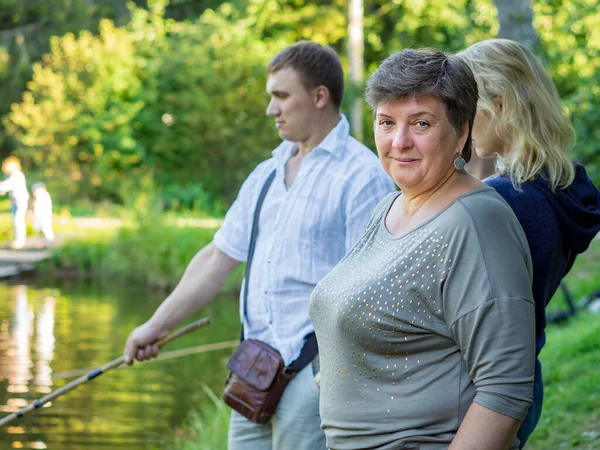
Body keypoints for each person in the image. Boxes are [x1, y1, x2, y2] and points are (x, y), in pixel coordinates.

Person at [123, 41, 394, 450]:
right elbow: (217, 258)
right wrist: (156, 326)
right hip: (254, 368)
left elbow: (369, 288)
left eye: (281, 96)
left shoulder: (362, 176)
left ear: (320, 96)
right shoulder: (265, 175)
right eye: (271, 97)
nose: (271, 109)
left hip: (316, 370)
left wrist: (335, 375)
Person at [309, 48, 536, 450]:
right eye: (386, 122)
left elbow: (505, 389)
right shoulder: (390, 206)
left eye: (421, 123)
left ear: (461, 132)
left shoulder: (476, 221)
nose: (399, 141)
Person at [456, 38, 600, 447]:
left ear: (500, 104)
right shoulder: (559, 188)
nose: (462, 122)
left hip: (481, 390)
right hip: (523, 375)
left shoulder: (506, 200)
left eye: (469, 107)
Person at [0, 156, 29, 249]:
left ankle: (20, 241)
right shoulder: (11, 175)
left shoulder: (17, 175)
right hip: (15, 200)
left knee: (18, 220)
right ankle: (18, 240)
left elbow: (7, 186)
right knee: (16, 220)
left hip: (21, 200)